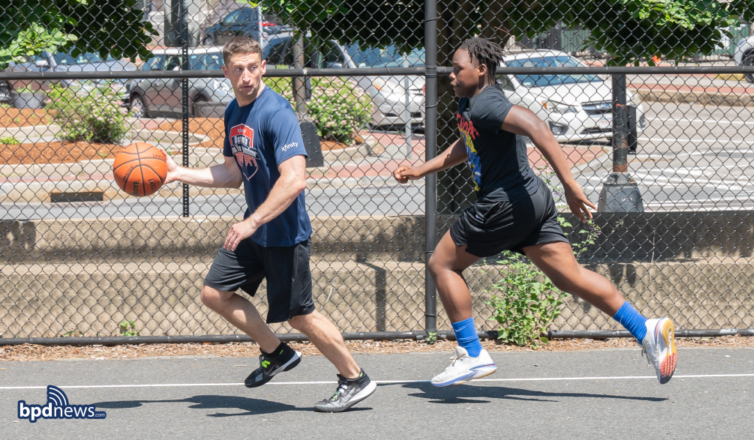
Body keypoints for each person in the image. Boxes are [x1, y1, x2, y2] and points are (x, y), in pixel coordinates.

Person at [393, 37, 676, 387]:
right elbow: (468, 144)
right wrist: (422, 169)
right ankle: (645, 329)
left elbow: (537, 127)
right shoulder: (472, 105)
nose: (451, 75)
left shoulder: (487, 104)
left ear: (480, 70)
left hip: (504, 203)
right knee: (568, 276)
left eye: (457, 69)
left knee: (442, 263)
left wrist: (571, 184)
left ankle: (471, 353)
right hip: (531, 200)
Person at [161, 36, 376, 412]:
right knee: (215, 293)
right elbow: (231, 173)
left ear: (263, 67)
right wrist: (180, 174)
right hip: (255, 229)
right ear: (225, 72)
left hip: (283, 233)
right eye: (238, 69)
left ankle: (355, 378)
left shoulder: (276, 112)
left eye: (252, 67)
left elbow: (295, 179)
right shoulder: (233, 111)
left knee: (299, 315)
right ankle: (275, 353)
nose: (246, 76)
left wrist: (253, 220)